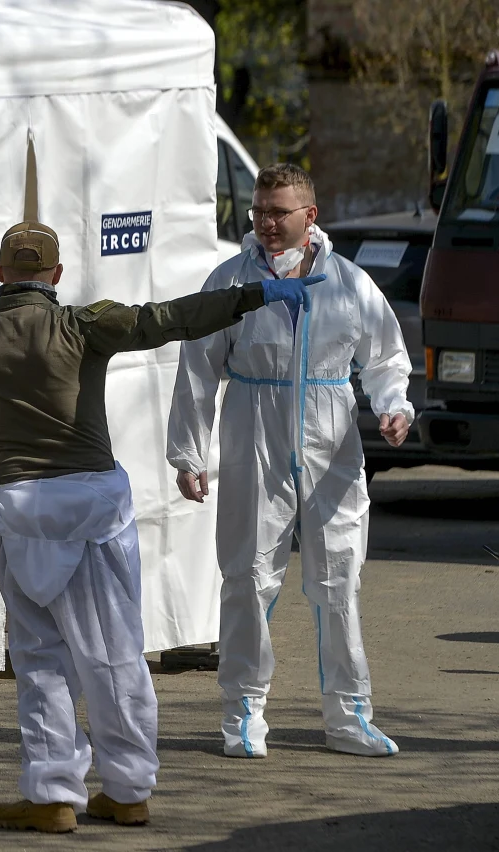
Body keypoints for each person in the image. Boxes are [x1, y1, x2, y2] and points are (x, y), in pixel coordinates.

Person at [0, 221, 322, 833]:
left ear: (1, 273)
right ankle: (128, 789)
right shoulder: (82, 325)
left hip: (22, 513)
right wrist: (255, 295)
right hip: (93, 509)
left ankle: (52, 794)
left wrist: (8, 454)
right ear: (56, 275)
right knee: (114, 658)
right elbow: (169, 318)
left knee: (39, 663)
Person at [167, 163, 413, 760]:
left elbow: (385, 355)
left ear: (311, 216)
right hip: (255, 427)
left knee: (339, 578)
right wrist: (188, 452)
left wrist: (393, 404)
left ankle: (350, 716)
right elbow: (197, 371)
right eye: (260, 211)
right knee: (247, 575)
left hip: (331, 436)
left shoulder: (350, 283)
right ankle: (243, 712)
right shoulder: (230, 281)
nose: (267, 222)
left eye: (280, 212)